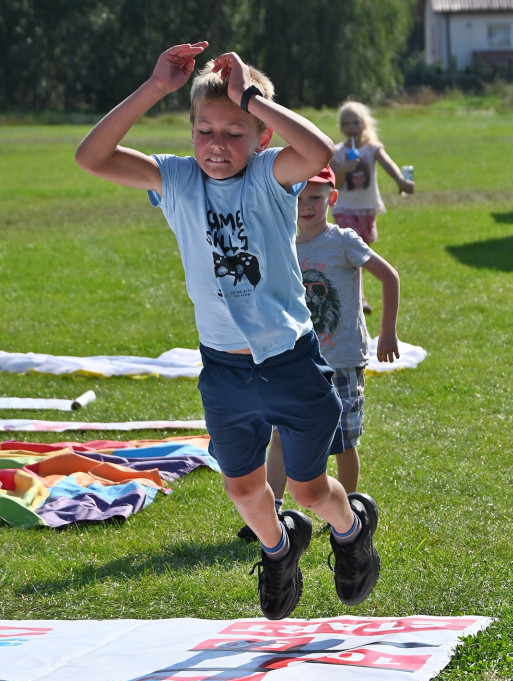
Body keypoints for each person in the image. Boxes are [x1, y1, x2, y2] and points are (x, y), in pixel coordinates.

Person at [75, 42, 381, 620]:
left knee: (309, 490)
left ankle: (351, 526)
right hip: (225, 369)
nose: (217, 145)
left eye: (235, 131)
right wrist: (155, 88)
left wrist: (252, 97)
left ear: (261, 135)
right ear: (189, 132)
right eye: (205, 131)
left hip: (290, 360)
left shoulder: (270, 175)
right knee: (243, 491)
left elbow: (319, 151)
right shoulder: (176, 179)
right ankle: (278, 547)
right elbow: (92, 156)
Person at [240, 165, 400, 531]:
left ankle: (347, 509)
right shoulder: (283, 244)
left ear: (332, 198)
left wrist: (387, 332)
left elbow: (389, 276)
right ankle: (272, 512)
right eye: (298, 197)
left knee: (342, 441)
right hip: (296, 360)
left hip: (342, 360)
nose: (306, 205)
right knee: (281, 436)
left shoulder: (343, 241)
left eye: (315, 197)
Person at [330, 100, 414, 314]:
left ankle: (354, 294)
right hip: (345, 209)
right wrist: (344, 169)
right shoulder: (338, 153)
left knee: (362, 254)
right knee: (353, 254)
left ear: (364, 124)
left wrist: (400, 181)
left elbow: (388, 164)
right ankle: (359, 298)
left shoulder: (372, 148)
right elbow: (334, 184)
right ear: (341, 128)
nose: (351, 127)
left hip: (366, 209)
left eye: (355, 122)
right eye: (346, 124)